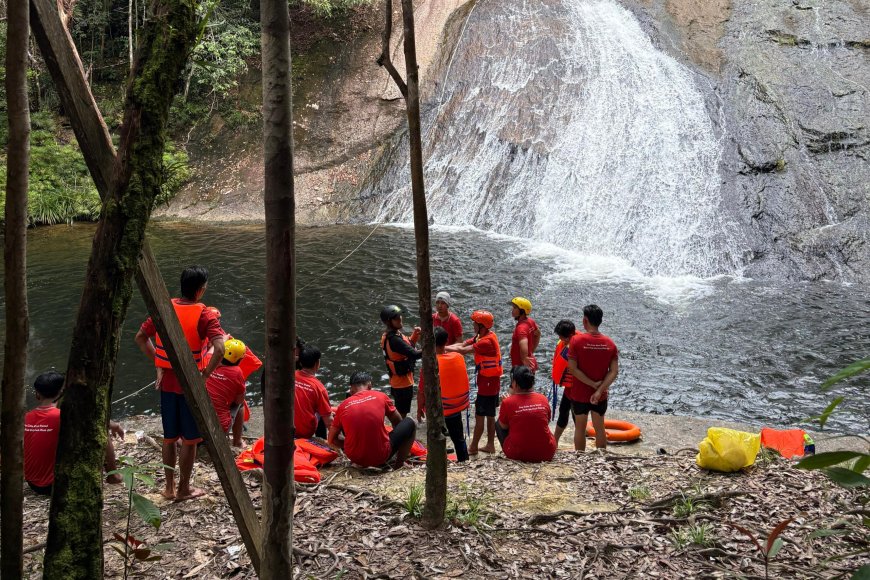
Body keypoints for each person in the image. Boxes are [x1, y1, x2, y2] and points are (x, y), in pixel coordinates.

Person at [135, 265, 225, 501]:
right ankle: (184, 489)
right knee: (191, 440)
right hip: (189, 386)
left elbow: (140, 337)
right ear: (201, 290)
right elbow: (220, 349)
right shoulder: (205, 314)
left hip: (166, 383)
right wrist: (204, 375)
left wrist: (159, 362)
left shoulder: (164, 307)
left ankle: (168, 487)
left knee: (169, 437)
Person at [24, 371, 124, 495]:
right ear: (63, 392)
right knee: (100, 429)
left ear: (37, 395)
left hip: (33, 485)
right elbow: (100, 421)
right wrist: (115, 425)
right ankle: (113, 477)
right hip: (59, 485)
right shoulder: (64, 416)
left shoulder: (25, 418)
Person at [327, 371, 417, 467]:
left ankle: (358, 453)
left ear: (351, 389)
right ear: (369, 385)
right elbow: (398, 422)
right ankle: (399, 464)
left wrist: (349, 445)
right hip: (381, 456)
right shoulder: (381, 396)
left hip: (355, 457)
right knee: (410, 422)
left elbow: (331, 440)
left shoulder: (343, 406)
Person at [446, 310, 502, 455]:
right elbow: (462, 344)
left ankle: (473, 447)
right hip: (490, 382)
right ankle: (490, 445)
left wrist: (441, 349)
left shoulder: (486, 342)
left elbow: (463, 350)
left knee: (480, 415)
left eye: (474, 323)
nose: (472, 325)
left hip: (488, 384)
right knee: (490, 415)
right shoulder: (483, 335)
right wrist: (443, 348)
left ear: (481, 325)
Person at [566, 304, 619, 451]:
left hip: (579, 394)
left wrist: (591, 384)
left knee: (580, 429)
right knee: (599, 428)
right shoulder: (610, 344)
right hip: (600, 395)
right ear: (600, 321)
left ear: (584, 320)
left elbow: (572, 368)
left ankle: (580, 459)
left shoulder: (576, 341)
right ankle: (601, 459)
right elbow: (614, 371)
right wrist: (599, 389)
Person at [417, 327, 470, 461]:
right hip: (456, 405)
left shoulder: (430, 363)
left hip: (438, 408)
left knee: (435, 436)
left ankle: (438, 461)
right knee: (458, 438)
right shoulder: (458, 357)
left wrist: (419, 408)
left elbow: (421, 391)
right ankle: (464, 461)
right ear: (446, 341)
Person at [496, 366, 556, 462]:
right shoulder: (543, 398)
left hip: (518, 455)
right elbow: (547, 421)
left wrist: (508, 405)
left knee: (498, 423)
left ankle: (511, 449)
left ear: (514, 383)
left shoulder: (507, 402)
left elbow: (503, 426)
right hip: (547, 452)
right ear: (532, 382)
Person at [379, 305, 422, 418]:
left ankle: (399, 429)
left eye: (399, 316)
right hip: (402, 384)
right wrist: (432, 346)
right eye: (395, 318)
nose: (400, 318)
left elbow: (407, 347)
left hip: (397, 381)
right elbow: (414, 354)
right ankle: (400, 432)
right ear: (389, 322)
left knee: (401, 410)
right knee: (402, 413)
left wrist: (414, 336)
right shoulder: (394, 340)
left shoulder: (393, 334)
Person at [204, 339, 248, 447]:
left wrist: (222, 339)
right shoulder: (237, 372)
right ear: (240, 359)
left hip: (196, 422)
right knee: (241, 405)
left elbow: (212, 350)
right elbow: (239, 400)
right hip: (218, 428)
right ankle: (237, 442)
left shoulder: (208, 359)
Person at [294, 345, 333, 439]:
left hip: (286, 428)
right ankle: (322, 439)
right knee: (324, 411)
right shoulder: (319, 388)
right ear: (317, 363)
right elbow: (329, 422)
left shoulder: (290, 375)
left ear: (300, 362)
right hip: (304, 432)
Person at [551, 320, 580, 447]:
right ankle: (554, 441)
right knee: (563, 411)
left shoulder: (579, 345)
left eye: (561, 336)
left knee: (576, 416)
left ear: (569, 336)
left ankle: (579, 447)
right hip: (569, 388)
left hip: (577, 388)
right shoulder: (565, 343)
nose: (559, 339)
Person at [509, 297, 541, 372]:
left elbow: (523, 343)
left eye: (515, 308)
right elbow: (538, 334)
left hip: (522, 367)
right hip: (530, 362)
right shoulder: (530, 321)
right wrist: (532, 350)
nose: (512, 310)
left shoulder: (521, 328)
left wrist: (524, 358)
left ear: (522, 311)